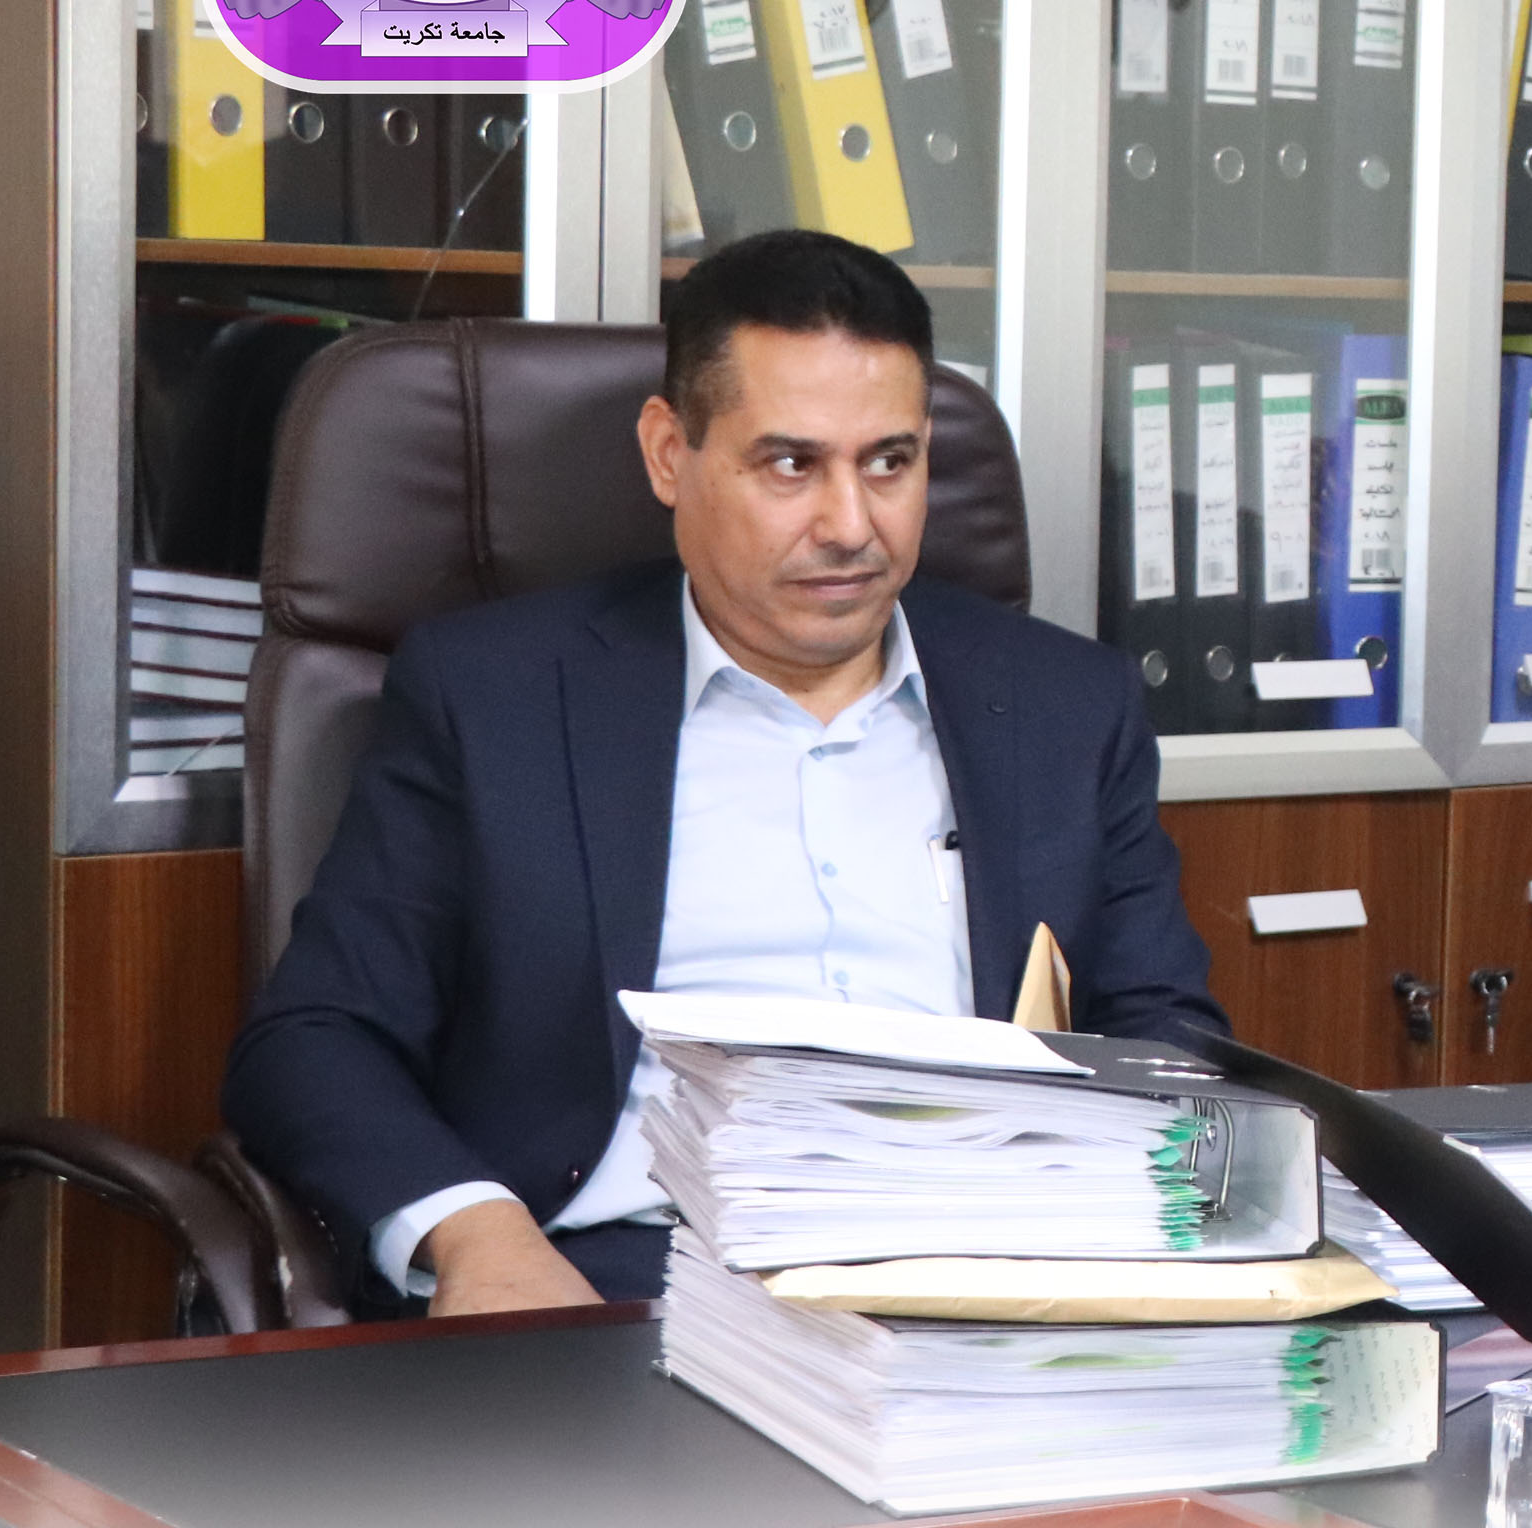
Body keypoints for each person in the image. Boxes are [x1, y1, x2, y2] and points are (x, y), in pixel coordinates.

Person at [227, 232, 1225, 1318]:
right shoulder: (496, 698)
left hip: (989, 1282)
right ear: (670, 453)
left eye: (889, 463)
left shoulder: (1064, 704)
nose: (851, 526)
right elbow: (317, 1038)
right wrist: (479, 1237)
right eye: (791, 465)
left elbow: (1161, 1031)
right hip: (626, 1282)